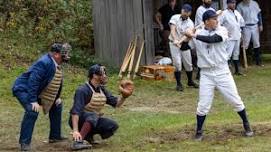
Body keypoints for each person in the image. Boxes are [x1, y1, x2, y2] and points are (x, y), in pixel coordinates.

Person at [185, 10, 253, 141]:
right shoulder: (198, 33)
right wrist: (185, 36)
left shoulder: (222, 30)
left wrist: (193, 36)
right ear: (206, 22)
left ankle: (246, 124)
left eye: (216, 18)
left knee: (235, 100)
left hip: (222, 71)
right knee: (203, 104)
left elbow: (213, 39)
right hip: (206, 73)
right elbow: (184, 48)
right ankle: (199, 131)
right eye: (213, 19)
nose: (217, 20)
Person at [12, 43, 71, 151]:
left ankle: (55, 136)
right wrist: (33, 101)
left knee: (57, 105)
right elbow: (33, 81)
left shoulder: (55, 63)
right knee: (32, 110)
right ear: (56, 54)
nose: (66, 55)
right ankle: (24, 143)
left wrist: (56, 97)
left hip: (36, 90)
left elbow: (56, 80)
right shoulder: (44, 62)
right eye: (64, 53)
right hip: (23, 88)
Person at [69, 64, 134, 150]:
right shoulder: (82, 90)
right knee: (93, 115)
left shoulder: (101, 89)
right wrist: (75, 130)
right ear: (95, 76)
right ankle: (77, 142)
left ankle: (88, 137)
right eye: (102, 74)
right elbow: (75, 111)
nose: (105, 76)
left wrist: (124, 96)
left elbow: (116, 104)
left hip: (91, 119)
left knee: (112, 125)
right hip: (78, 119)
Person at [168, 4, 198, 92]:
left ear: (190, 13)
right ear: (181, 10)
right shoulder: (175, 18)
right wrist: (175, 40)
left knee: (188, 64)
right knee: (177, 63)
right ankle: (178, 84)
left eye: (187, 12)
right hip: (173, 43)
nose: (185, 13)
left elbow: (188, 36)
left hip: (184, 44)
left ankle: (190, 81)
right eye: (184, 11)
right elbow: (172, 30)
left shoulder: (190, 23)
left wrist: (182, 41)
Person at [220, 0, 245, 75]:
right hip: (229, 38)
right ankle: (225, 72)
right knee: (228, 55)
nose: (233, 4)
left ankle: (237, 71)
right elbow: (219, 24)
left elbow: (242, 23)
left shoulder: (237, 13)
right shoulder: (224, 13)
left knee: (236, 54)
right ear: (228, 4)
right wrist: (224, 33)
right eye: (232, 3)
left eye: (234, 3)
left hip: (237, 36)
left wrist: (241, 33)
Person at [237, 0, 263, 66]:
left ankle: (258, 62)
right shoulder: (240, 6)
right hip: (246, 26)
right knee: (245, 44)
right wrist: (240, 28)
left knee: (256, 43)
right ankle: (245, 62)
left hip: (255, 25)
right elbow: (238, 18)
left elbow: (259, 14)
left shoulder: (254, 3)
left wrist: (260, 24)